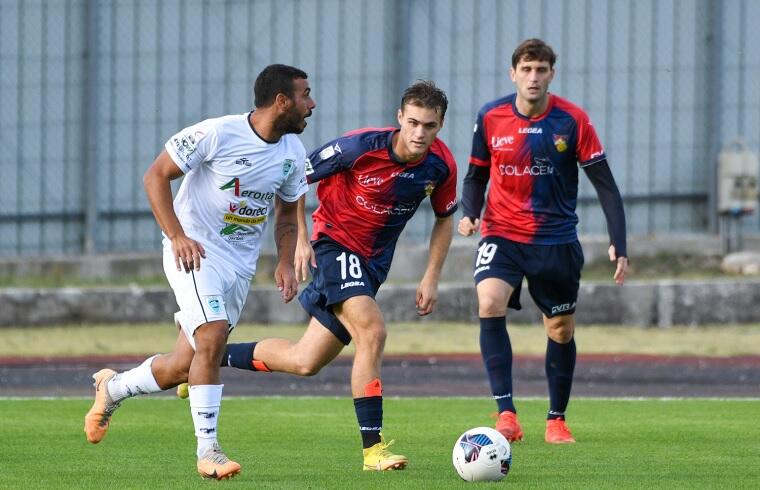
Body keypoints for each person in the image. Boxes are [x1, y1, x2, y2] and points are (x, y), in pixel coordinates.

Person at [83, 63, 316, 480]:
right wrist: (176, 237)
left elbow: (285, 216)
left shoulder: (292, 154)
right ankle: (209, 450)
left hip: (239, 266)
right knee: (212, 333)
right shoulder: (217, 133)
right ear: (281, 101)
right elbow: (155, 176)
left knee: (183, 364)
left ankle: (112, 388)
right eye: (305, 95)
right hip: (195, 253)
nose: (311, 105)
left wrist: (283, 260)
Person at [220, 80, 458, 471]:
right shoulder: (358, 147)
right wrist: (298, 239)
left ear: (440, 125)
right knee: (373, 331)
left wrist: (431, 276)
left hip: (372, 266)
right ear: (400, 117)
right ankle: (373, 450)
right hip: (334, 246)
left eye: (428, 126)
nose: (419, 133)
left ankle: (205, 360)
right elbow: (294, 178)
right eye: (412, 122)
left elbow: (445, 219)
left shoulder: (441, 165)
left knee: (305, 361)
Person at [458, 39, 628, 444]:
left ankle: (556, 419)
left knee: (560, 330)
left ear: (552, 74)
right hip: (502, 233)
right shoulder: (491, 116)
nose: (533, 77)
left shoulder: (573, 120)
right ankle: (506, 413)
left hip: (555, 241)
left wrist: (619, 243)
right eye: (527, 69)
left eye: (541, 70)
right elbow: (475, 174)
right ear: (513, 73)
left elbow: (605, 186)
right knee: (488, 301)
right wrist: (469, 211)